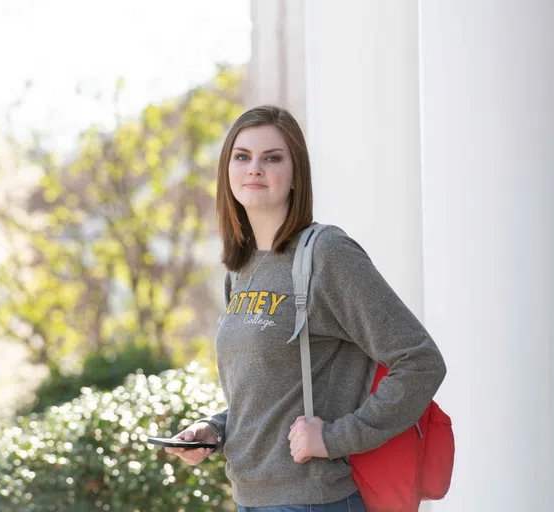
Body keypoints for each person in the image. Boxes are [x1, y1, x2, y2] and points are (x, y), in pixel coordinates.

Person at [165, 105, 447, 511]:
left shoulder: (327, 255)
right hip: (252, 499)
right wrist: (216, 428)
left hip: (314, 500)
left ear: (296, 175)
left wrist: (336, 438)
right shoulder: (242, 268)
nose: (254, 169)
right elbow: (270, 389)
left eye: (272, 158)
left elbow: (420, 362)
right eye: (242, 156)